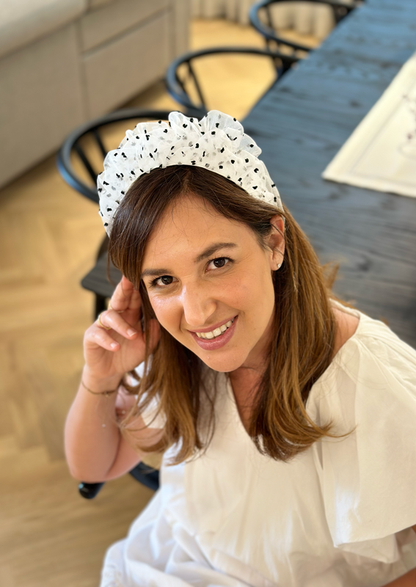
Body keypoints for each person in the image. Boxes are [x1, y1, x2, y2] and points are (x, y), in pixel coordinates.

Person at [64, 110, 416, 587]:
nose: (198, 312)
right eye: (164, 280)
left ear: (274, 241)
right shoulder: (173, 355)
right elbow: (93, 467)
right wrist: (101, 378)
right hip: (169, 566)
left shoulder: (371, 380)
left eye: (218, 262)